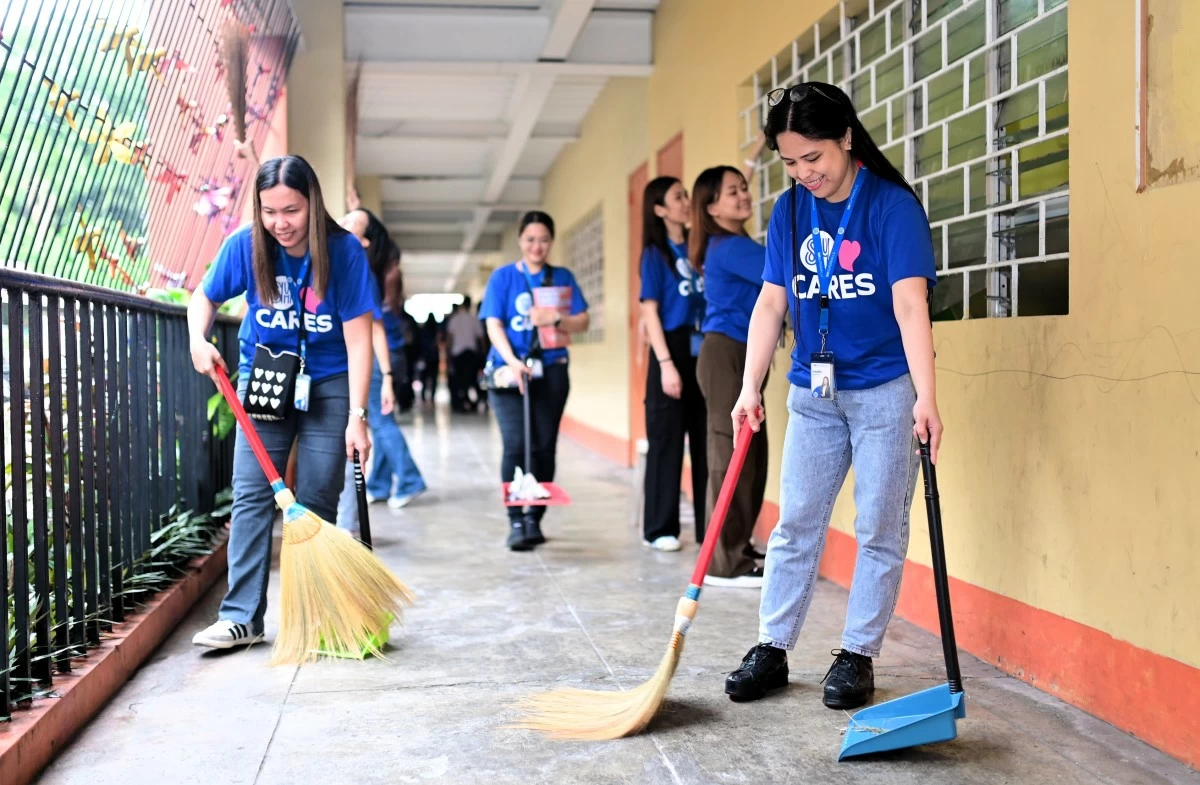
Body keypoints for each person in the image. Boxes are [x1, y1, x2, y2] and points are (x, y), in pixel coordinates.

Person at [722, 81, 941, 711]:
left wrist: (926, 399)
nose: (803, 174)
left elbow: (909, 304)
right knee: (795, 524)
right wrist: (749, 384)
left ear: (846, 138)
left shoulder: (892, 207)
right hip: (813, 394)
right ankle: (773, 646)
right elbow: (771, 301)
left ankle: (857, 655)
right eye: (790, 162)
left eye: (813, 158)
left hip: (882, 391)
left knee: (878, 524)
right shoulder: (790, 211)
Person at [187, 155, 376, 649]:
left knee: (316, 498)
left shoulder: (344, 252)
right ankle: (242, 618)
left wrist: (358, 416)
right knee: (251, 495)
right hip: (266, 380)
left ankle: (313, 617)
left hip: (329, 384)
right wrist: (197, 339)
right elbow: (202, 299)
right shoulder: (246, 247)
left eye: (290, 210)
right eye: (269, 211)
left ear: (312, 202)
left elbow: (360, 341)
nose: (280, 223)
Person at [479, 211, 589, 551]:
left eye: (543, 239)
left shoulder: (562, 277)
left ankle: (534, 518)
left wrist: (555, 317)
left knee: (543, 445)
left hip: (551, 370)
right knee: (515, 444)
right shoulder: (503, 278)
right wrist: (512, 361)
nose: (536, 246)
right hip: (509, 373)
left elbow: (582, 321)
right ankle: (515, 518)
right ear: (520, 241)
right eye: (530, 239)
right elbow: (493, 323)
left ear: (551, 241)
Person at [691, 165, 771, 588]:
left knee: (752, 456)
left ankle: (737, 546)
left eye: (744, 188)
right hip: (727, 355)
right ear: (711, 206)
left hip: (741, 355)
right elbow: (782, 267)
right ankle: (725, 561)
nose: (743, 196)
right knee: (731, 455)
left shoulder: (734, 242)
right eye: (732, 191)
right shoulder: (727, 247)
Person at [334, 210, 426, 534]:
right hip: (375, 362)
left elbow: (375, 330)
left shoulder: (363, 274)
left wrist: (386, 376)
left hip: (373, 361)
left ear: (363, 241)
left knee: (380, 423)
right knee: (377, 421)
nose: (340, 224)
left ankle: (410, 478)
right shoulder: (353, 269)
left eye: (349, 223)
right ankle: (382, 484)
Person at [638, 176, 707, 553]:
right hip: (671, 346)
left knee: (704, 438)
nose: (686, 202)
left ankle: (707, 527)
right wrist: (665, 364)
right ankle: (659, 528)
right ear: (660, 209)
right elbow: (649, 311)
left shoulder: (702, 244)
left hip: (705, 345)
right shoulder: (654, 254)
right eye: (678, 197)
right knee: (666, 440)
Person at [446, 297, 484, 412]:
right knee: (471, 380)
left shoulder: (454, 320)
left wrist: (448, 355)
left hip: (458, 355)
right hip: (471, 354)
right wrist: (483, 354)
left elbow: (450, 339)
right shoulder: (474, 319)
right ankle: (470, 402)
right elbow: (481, 339)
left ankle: (461, 403)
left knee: (459, 381)